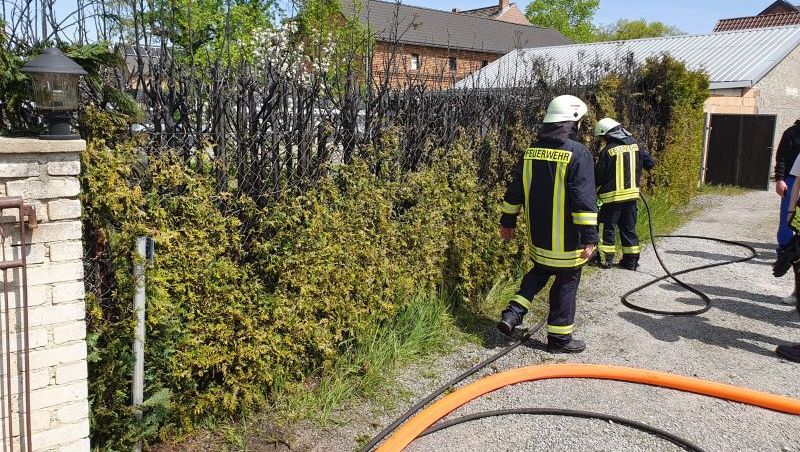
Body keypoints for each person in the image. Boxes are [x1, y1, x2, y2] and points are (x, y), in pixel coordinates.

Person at [497, 95, 598, 354]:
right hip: (568, 241)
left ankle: (513, 312)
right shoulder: (578, 153)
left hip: (539, 238)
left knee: (538, 272)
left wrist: (507, 221)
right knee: (566, 283)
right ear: (574, 121)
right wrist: (590, 237)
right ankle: (559, 340)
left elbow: (514, 192)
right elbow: (583, 199)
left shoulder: (530, 152)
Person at [593, 118, 656, 270]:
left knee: (606, 228)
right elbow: (650, 163)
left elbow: (598, 176)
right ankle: (631, 261)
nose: (602, 141)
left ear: (606, 135)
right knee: (628, 228)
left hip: (611, 198)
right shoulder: (636, 146)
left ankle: (605, 260)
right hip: (631, 197)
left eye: (602, 138)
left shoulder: (607, 151)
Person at [774, 119, 800, 305]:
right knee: (790, 237)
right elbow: (782, 158)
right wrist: (780, 179)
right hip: (792, 185)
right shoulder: (792, 133)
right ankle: (797, 292)